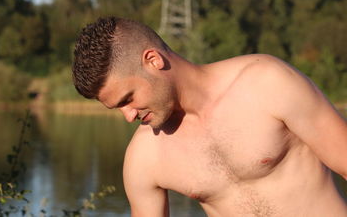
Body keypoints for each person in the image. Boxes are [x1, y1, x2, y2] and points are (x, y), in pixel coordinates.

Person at [72, 16, 347, 217]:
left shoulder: (266, 83)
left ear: (153, 60)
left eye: (128, 98)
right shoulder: (144, 157)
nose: (128, 116)